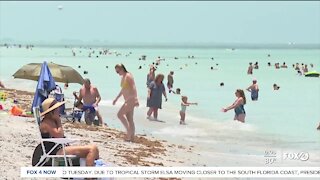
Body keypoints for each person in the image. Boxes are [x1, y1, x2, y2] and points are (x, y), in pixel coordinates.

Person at [39, 98, 99, 166]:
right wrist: (58, 120)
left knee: (95, 151)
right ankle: (89, 176)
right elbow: (59, 135)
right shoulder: (46, 123)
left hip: (61, 147)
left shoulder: (51, 121)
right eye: (56, 108)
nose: (58, 110)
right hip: (55, 151)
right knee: (92, 149)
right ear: (52, 111)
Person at [113, 64, 139, 142]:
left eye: (118, 71)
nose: (117, 73)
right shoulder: (123, 77)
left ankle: (128, 131)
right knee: (130, 119)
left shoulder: (128, 76)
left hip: (131, 99)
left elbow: (133, 87)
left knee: (120, 114)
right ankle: (132, 137)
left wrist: (136, 98)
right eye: (116, 72)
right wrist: (116, 99)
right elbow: (123, 90)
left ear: (122, 68)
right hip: (127, 99)